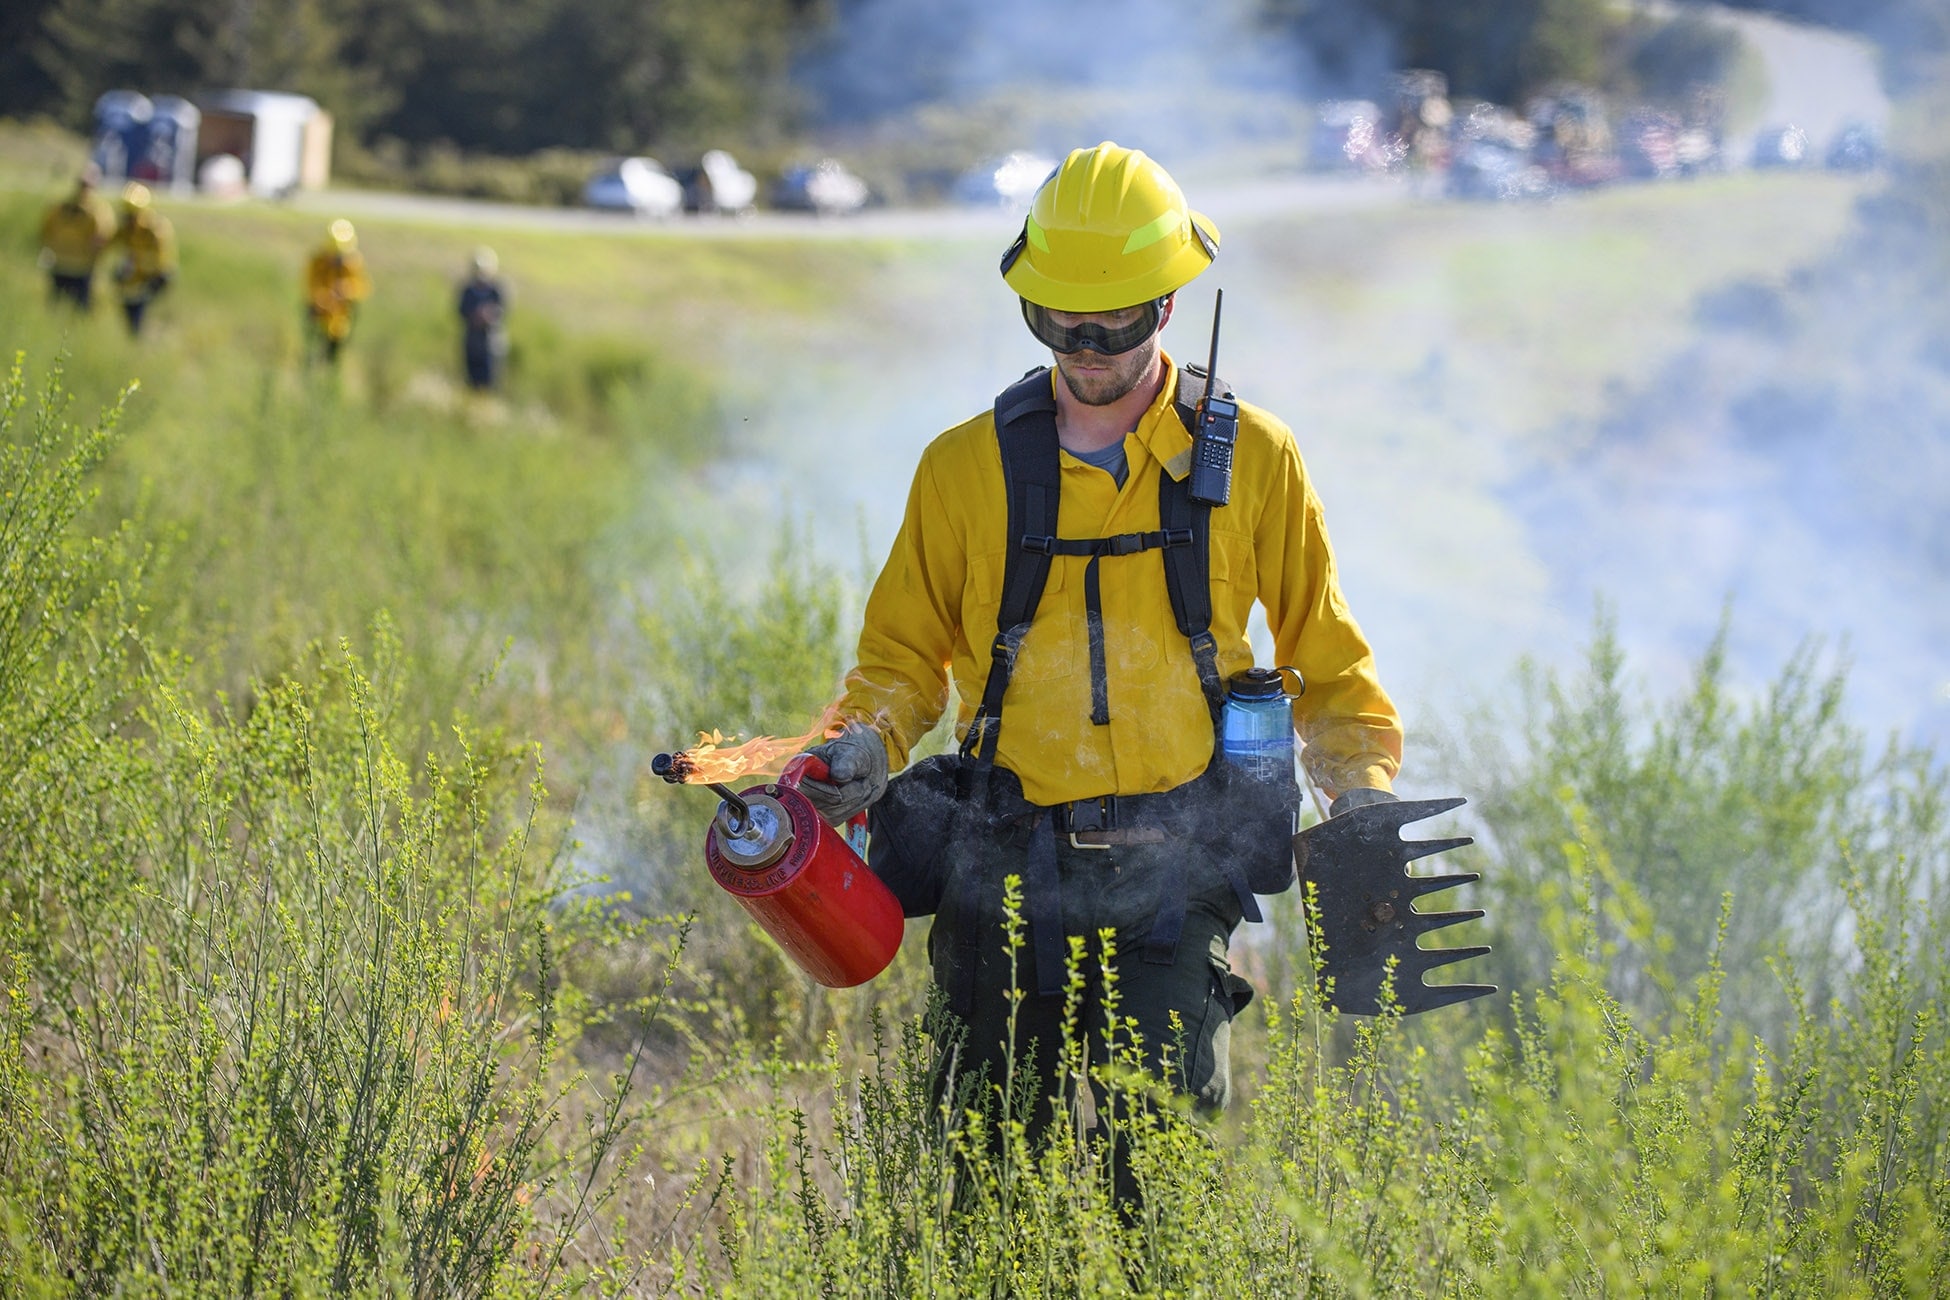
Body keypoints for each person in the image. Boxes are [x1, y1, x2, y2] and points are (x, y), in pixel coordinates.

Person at [792, 142, 1403, 1169]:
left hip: (1180, 863)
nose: (1080, 346)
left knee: (1154, 1180)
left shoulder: (1256, 459)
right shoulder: (962, 470)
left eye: (1109, 321)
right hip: (999, 860)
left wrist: (1364, 788)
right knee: (982, 1180)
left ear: (1167, 305)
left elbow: (1327, 661)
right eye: (1054, 320)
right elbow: (901, 654)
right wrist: (867, 738)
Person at [38, 167, 117, 311]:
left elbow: (102, 239)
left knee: (75, 310)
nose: (84, 189)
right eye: (83, 184)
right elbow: (46, 231)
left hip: (81, 268)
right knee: (61, 309)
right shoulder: (62, 207)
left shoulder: (97, 210)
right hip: (63, 265)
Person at [108, 183, 177, 337]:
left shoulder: (155, 229)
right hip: (131, 280)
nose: (129, 220)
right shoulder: (126, 228)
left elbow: (162, 262)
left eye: (132, 215)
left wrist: (136, 261)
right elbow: (111, 242)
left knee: (140, 318)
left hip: (151, 279)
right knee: (129, 319)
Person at [306, 219, 371, 364]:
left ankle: (330, 370)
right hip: (318, 313)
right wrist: (322, 299)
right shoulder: (318, 261)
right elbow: (310, 286)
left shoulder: (353, 263)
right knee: (311, 349)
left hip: (340, 319)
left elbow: (362, 287)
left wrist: (346, 290)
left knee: (334, 355)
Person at [456, 246, 508, 391]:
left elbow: (503, 311)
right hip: (472, 343)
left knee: (490, 383)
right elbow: (461, 311)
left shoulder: (496, 290)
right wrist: (475, 317)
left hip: (491, 345)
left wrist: (488, 316)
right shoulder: (468, 290)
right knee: (471, 382)